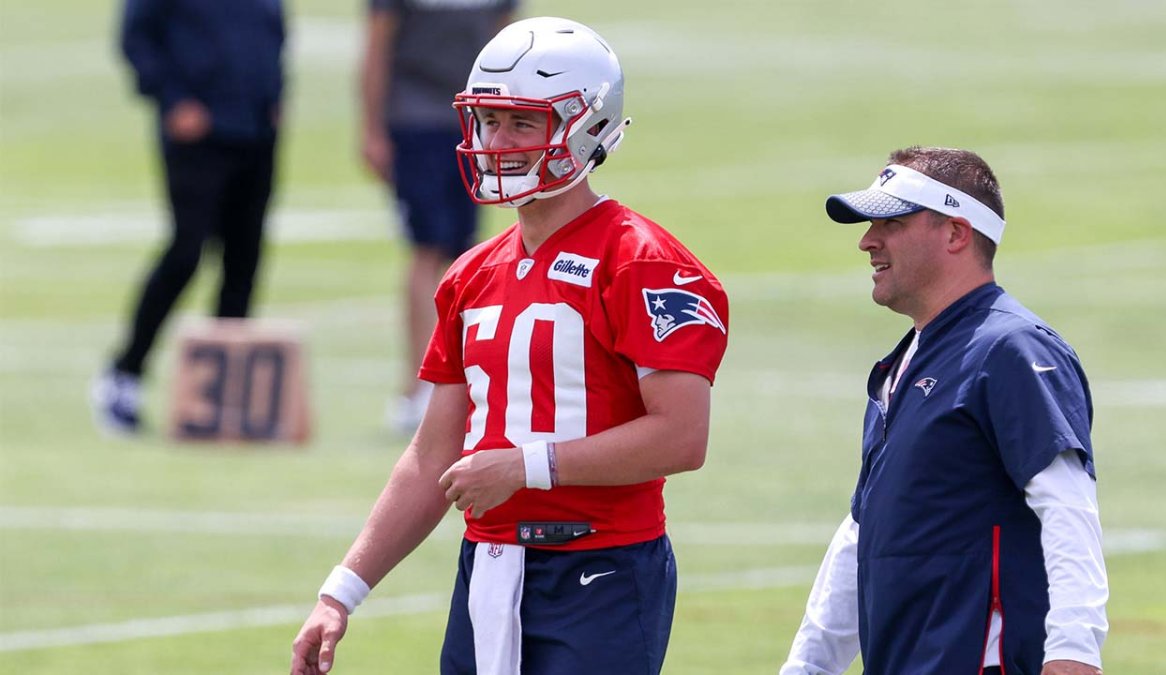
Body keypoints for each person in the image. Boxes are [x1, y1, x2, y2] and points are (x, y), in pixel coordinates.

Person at [292, 17, 729, 675]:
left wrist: (526, 466)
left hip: (601, 568)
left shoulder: (642, 262)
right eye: (489, 120)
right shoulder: (470, 274)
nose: (497, 141)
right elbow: (433, 452)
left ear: (587, 127)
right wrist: (341, 590)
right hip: (490, 568)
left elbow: (680, 437)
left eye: (522, 123)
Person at [779, 147, 1108, 675]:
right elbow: (864, 530)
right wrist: (808, 666)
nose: (867, 241)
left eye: (892, 222)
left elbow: (1068, 507)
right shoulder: (905, 362)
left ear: (956, 234)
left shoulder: (1013, 350)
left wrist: (1074, 652)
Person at [91, 0, 286, 434]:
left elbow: (272, 30)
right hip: (198, 131)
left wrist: (274, 96)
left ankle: (227, 394)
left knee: (245, 256)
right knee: (186, 251)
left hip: (255, 127)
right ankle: (125, 373)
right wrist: (172, 99)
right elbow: (136, 38)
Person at [360, 0, 518, 435]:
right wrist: (372, 127)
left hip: (477, 118)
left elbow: (510, 43)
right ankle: (418, 386)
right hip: (415, 118)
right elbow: (376, 44)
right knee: (427, 247)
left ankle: (471, 378)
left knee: (466, 252)